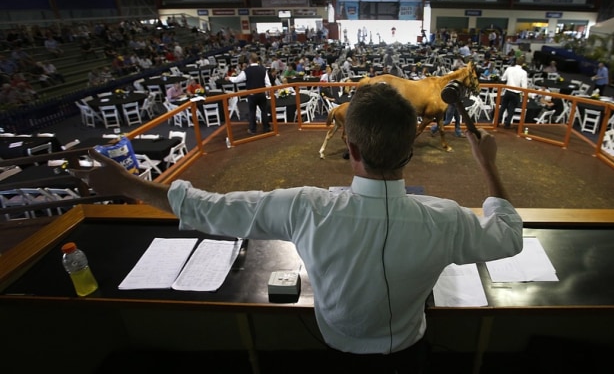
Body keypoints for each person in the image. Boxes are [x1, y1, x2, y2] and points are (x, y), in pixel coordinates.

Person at [70, 82, 523, 372]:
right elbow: (508, 235)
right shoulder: (444, 218)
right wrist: (487, 165)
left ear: (351, 148)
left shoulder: (307, 208)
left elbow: (211, 209)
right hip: (410, 354)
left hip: (337, 351)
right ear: (412, 147)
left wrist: (129, 185)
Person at [226, 54, 271, 134]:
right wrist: (266, 92)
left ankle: (253, 129)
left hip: (252, 95)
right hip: (261, 94)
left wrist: (229, 78)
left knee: (252, 112)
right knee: (264, 111)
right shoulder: (263, 69)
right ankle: (266, 128)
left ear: (250, 60)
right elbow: (268, 83)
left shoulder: (246, 71)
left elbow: (237, 79)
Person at [498, 57, 529, 129]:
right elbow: (524, 86)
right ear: (523, 64)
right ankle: (507, 124)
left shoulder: (509, 69)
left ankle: (497, 122)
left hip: (508, 91)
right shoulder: (523, 73)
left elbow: (503, 78)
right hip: (516, 93)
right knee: (511, 109)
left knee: (503, 107)